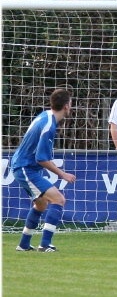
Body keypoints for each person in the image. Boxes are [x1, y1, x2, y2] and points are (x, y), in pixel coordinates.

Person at [12, 89, 77, 252]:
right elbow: (41, 158)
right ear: (67, 106)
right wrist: (62, 174)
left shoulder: (45, 115)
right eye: (71, 103)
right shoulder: (49, 125)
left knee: (40, 204)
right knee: (59, 200)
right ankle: (45, 244)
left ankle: (24, 244)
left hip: (23, 166)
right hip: (25, 168)